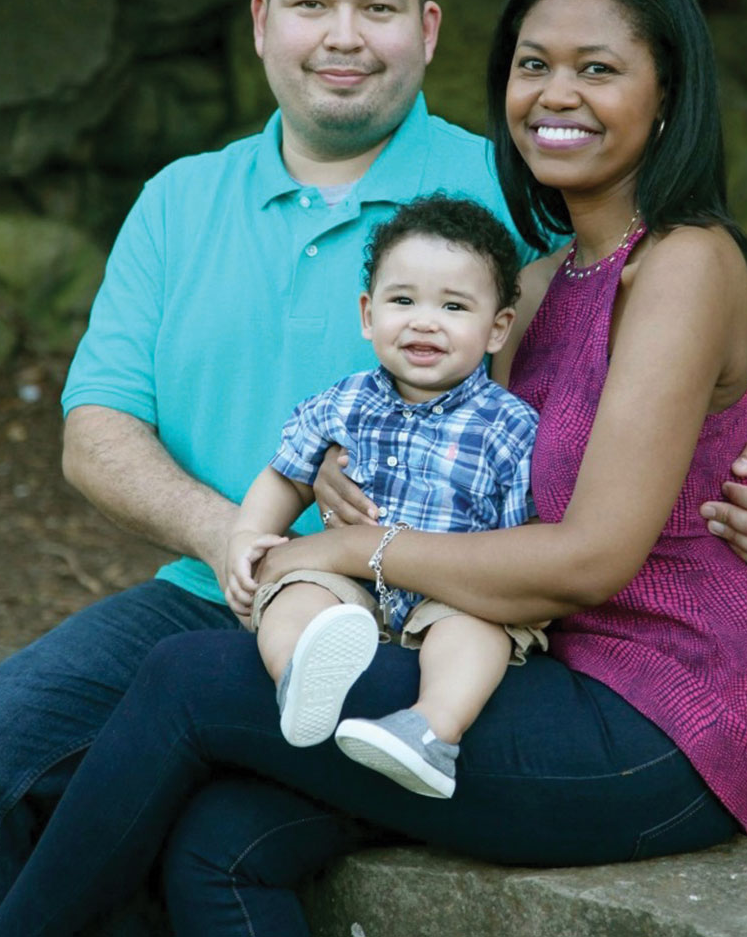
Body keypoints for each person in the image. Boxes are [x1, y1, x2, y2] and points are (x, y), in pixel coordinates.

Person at [0, 0, 747, 937]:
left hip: (660, 716)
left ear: (669, 96)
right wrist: (335, 479)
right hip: (526, 664)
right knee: (222, 837)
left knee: (190, 680)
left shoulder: (683, 260)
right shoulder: (538, 283)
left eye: (598, 68)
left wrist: (341, 547)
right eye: (532, 63)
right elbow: (457, 441)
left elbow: (594, 553)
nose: (557, 92)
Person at [227, 194, 544, 799]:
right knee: (296, 592)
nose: (424, 321)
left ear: (497, 327)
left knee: (476, 630)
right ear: (368, 314)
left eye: (454, 306)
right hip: (356, 596)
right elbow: (287, 473)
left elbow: (522, 539)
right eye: (403, 301)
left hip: (454, 592)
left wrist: (501, 597)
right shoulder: (345, 402)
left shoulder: (509, 427)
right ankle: (299, 677)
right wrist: (247, 536)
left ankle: (430, 732)